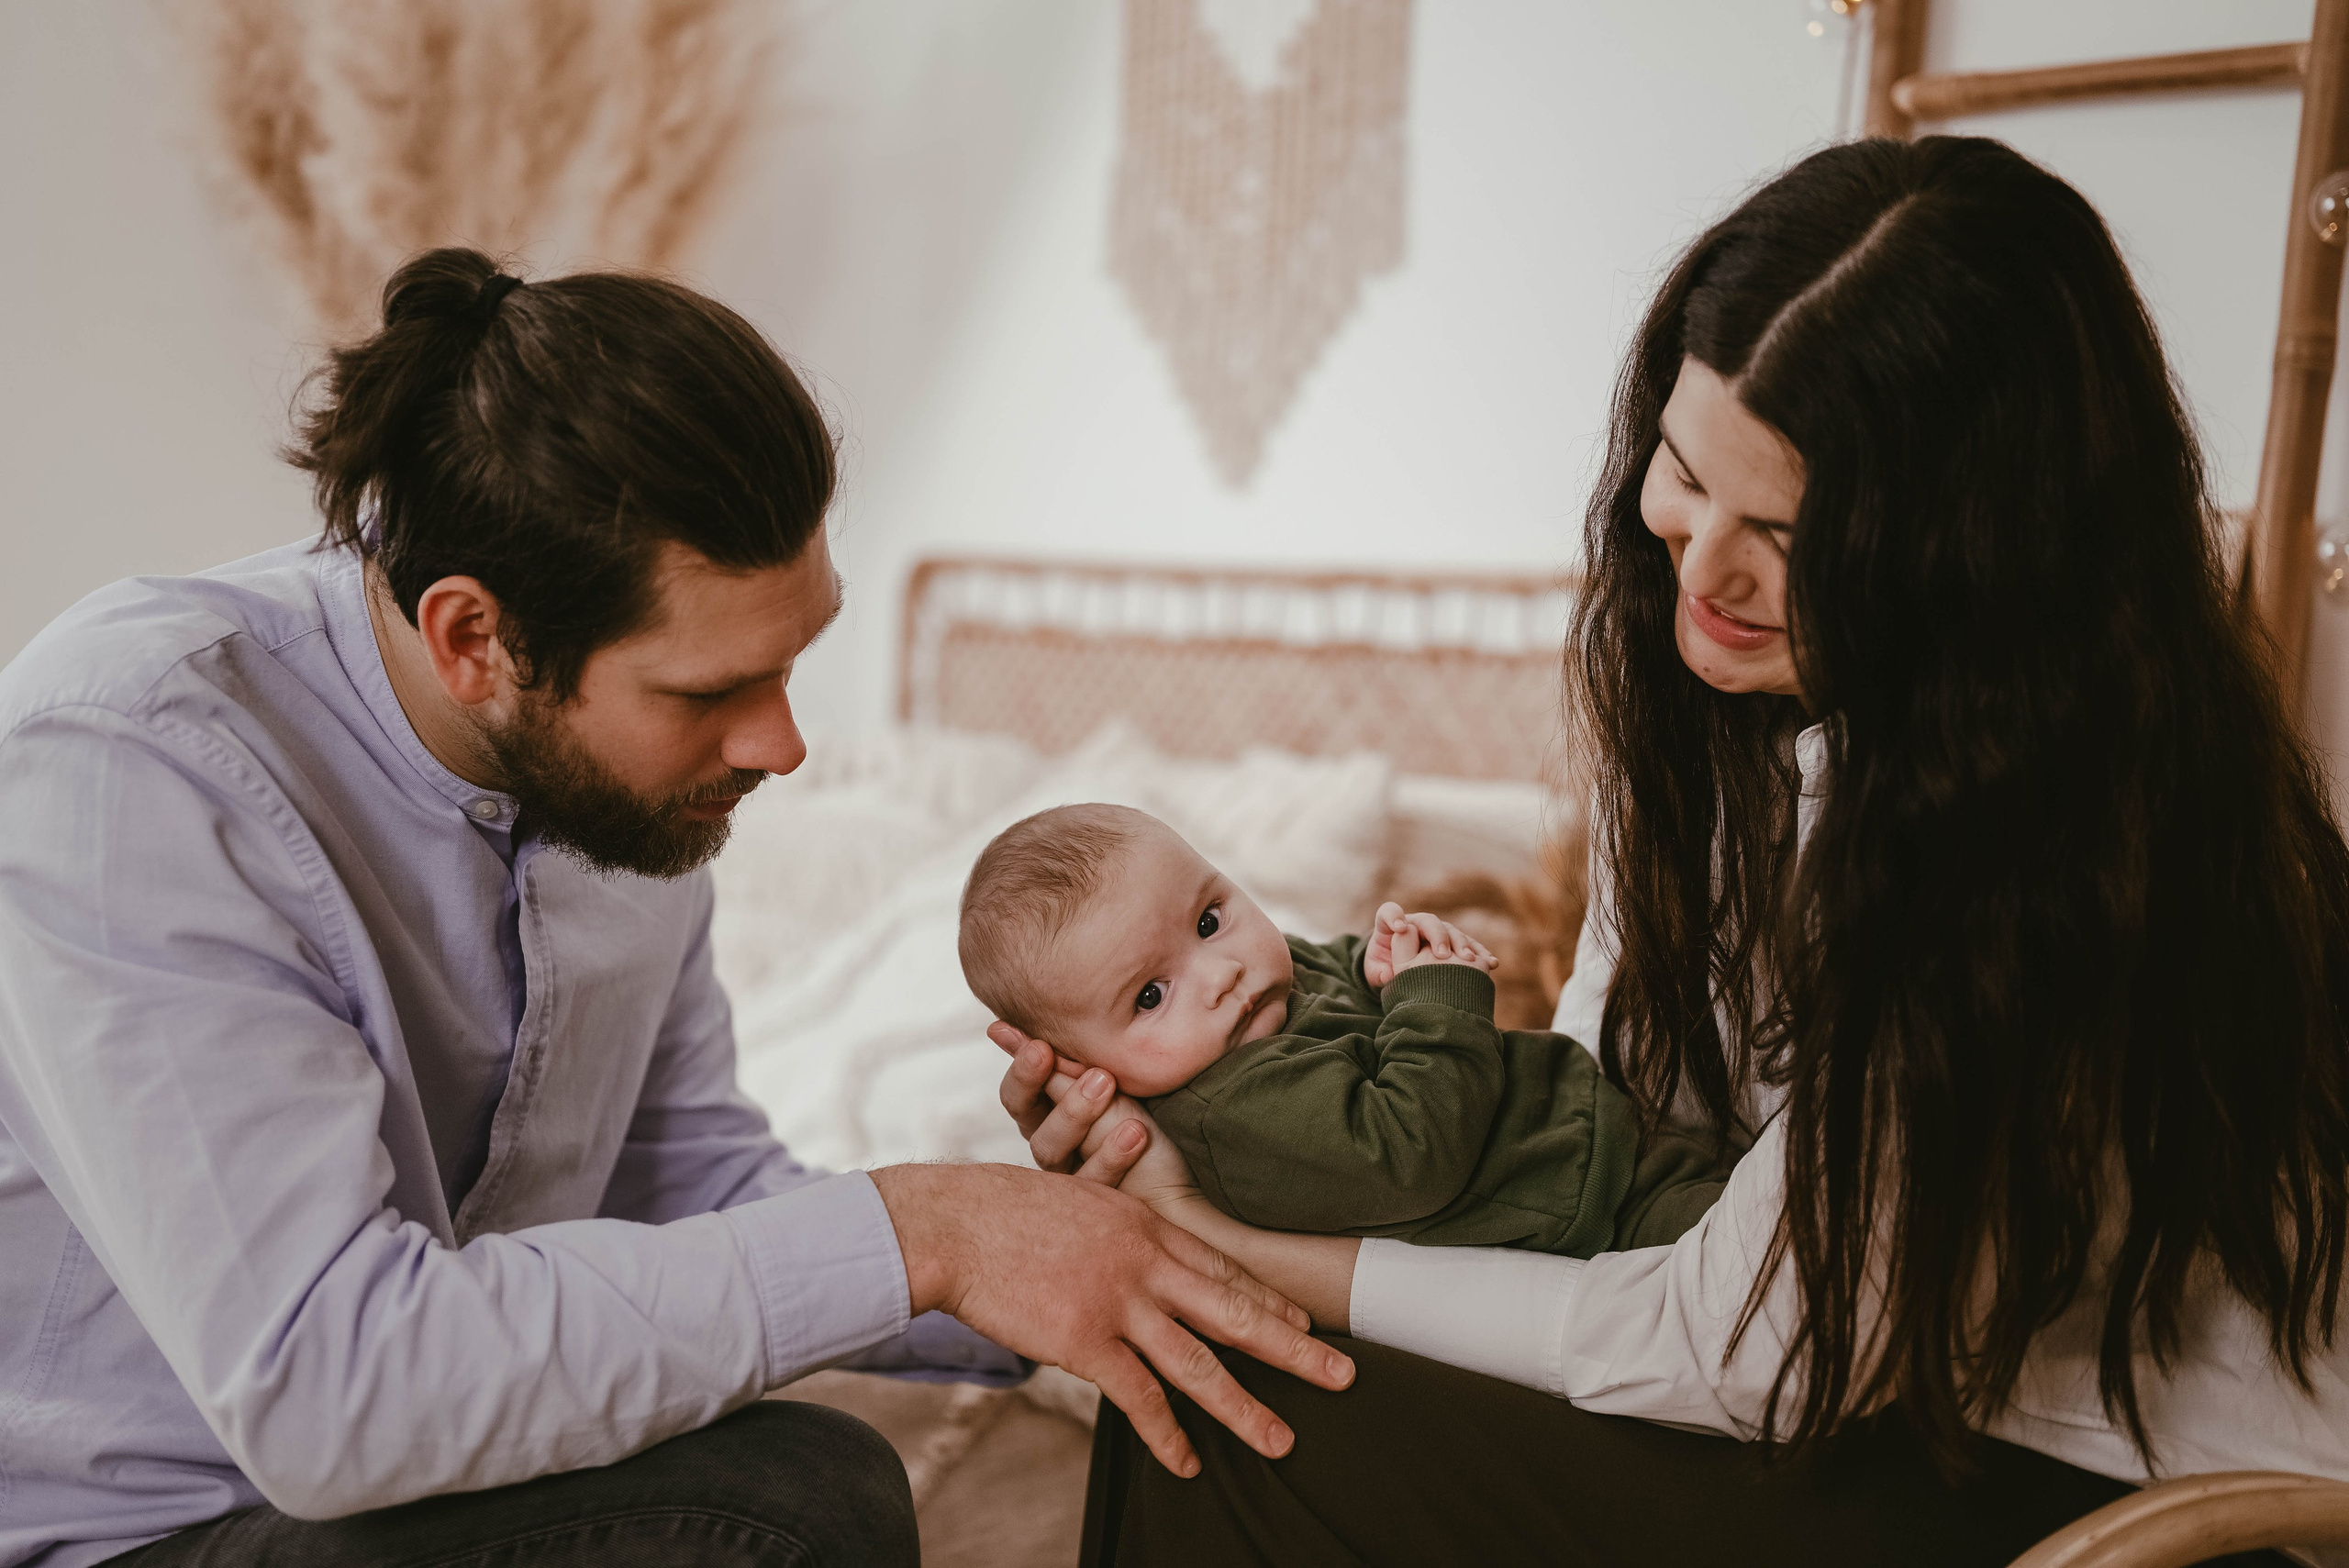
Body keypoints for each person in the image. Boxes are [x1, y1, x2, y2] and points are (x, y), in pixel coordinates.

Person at [997, 135, 2349, 1567]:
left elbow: (1742, 1349)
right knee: (1212, 1369)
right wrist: (1211, 1146)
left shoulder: (2041, 863)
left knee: (1255, 1393)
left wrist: (1244, 1255)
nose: (1700, 569)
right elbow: (1609, 1117)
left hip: (2123, 1480)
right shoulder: (1715, 726)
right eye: (1685, 477)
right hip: (1826, 1372)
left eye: (1785, 533)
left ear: (1964, 565)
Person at [0, 248, 1350, 1568]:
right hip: (139, 1524)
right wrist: (926, 1231)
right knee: (778, 1501)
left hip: (397, 1483)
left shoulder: (627, 802)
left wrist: (1056, 1248)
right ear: (478, 641)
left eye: (794, 663)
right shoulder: (129, 764)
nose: (783, 746)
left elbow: (684, 1191)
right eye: (709, 694)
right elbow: (330, 1387)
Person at [959, 803, 1730, 1254]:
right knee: (1756, 1260)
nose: (1219, 970)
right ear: (1080, 1070)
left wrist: (1379, 965)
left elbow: (1325, 964)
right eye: (1152, 994)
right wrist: (1436, 1001)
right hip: (1591, 1214)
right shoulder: (1237, 1108)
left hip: (1594, 1133)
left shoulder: (1256, 987)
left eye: (1208, 917)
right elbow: (1406, 1149)